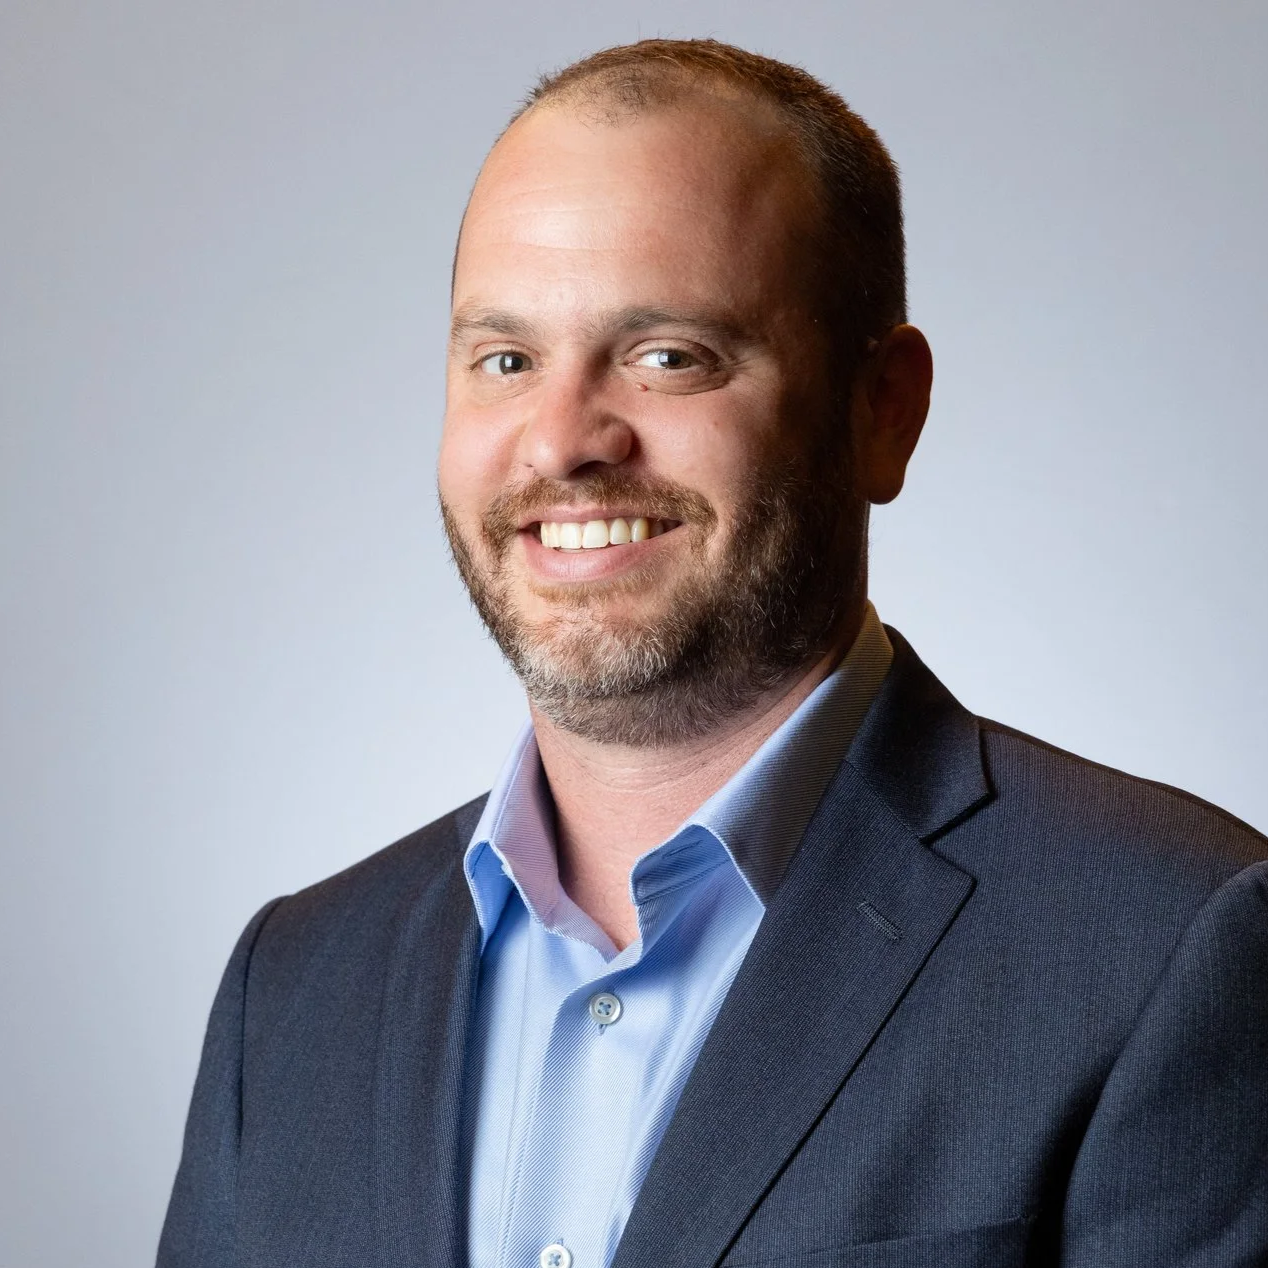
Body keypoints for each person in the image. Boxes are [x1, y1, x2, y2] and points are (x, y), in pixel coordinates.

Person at [157, 38, 1268, 1268]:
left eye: (668, 354)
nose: (564, 440)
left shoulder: (1167, 942)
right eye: (505, 359)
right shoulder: (295, 986)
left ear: (881, 411)